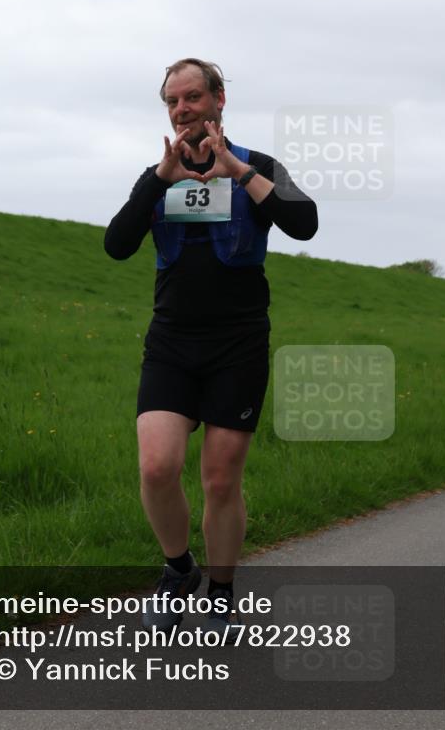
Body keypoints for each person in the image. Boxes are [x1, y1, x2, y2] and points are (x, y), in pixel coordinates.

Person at [103, 58, 318, 639]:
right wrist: (159, 179)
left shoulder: (260, 166)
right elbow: (116, 245)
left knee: (221, 480)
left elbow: (305, 224)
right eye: (173, 102)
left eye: (193, 97)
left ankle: (221, 590)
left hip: (238, 344)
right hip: (172, 341)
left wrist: (238, 171)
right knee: (156, 466)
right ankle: (179, 571)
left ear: (219, 100)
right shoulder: (158, 175)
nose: (182, 110)